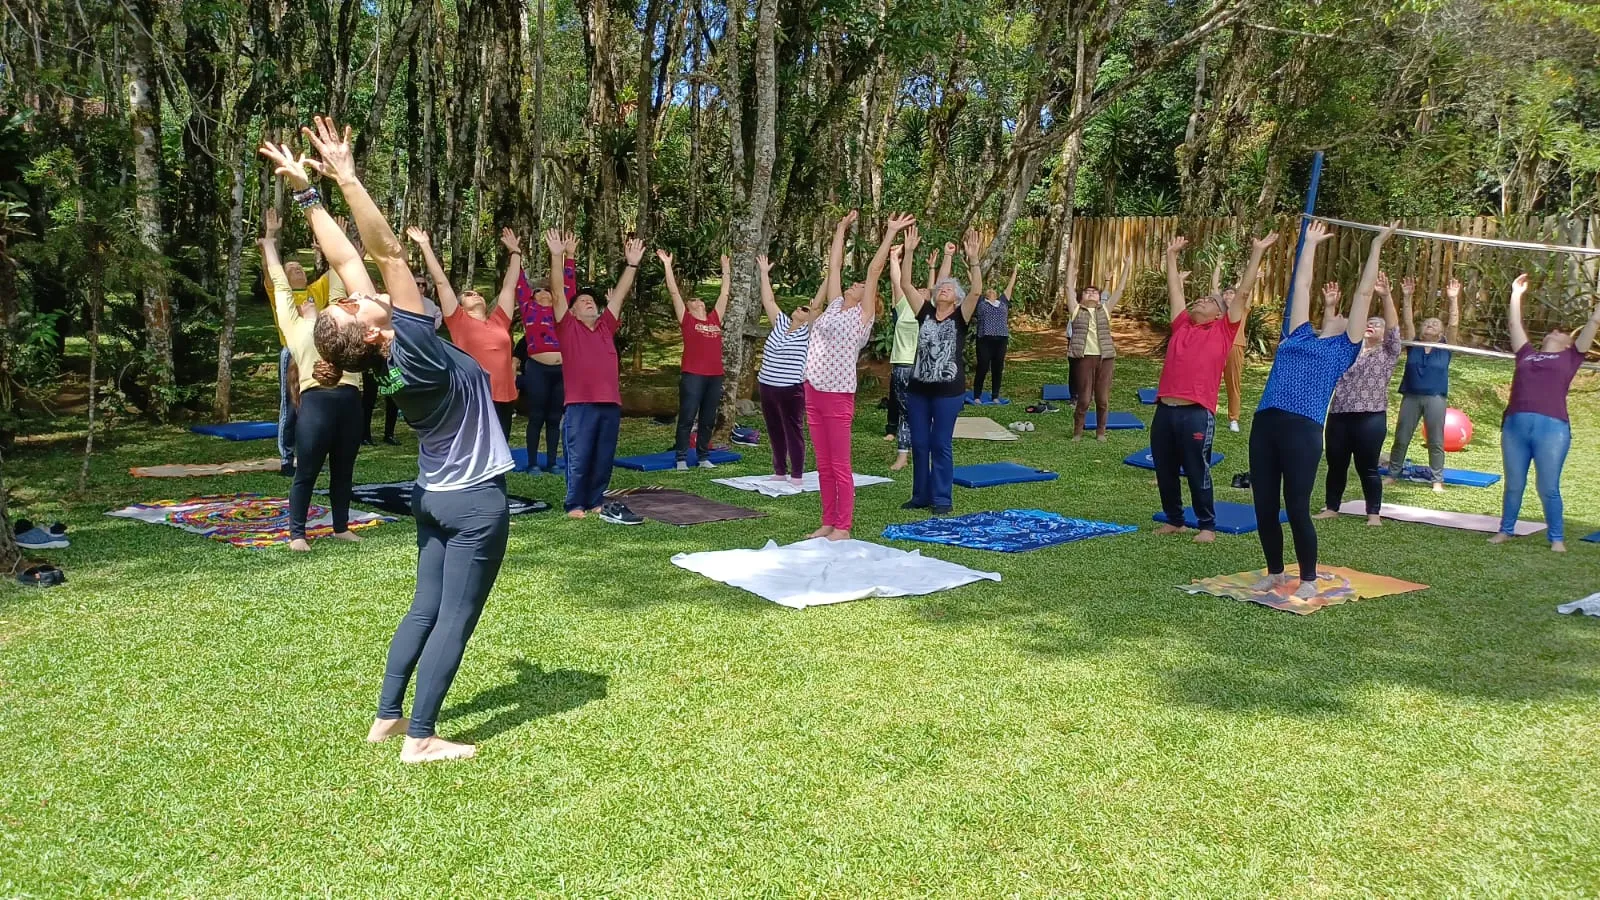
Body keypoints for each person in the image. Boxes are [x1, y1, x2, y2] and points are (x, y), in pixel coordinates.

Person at [265, 115, 514, 763]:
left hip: (432, 495)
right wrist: (345, 175)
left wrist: (307, 195)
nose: (354, 293)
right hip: (472, 503)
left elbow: (350, 258)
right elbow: (386, 254)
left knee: (425, 608)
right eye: (352, 303)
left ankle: (387, 718)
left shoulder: (390, 348)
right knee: (453, 617)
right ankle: (422, 737)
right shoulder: (420, 352)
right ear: (372, 334)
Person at [1250, 220, 1394, 599]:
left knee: (1296, 506)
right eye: (1340, 311)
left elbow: (1364, 294)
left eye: (1351, 316)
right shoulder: (1299, 333)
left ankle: (1309, 577)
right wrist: (1309, 243)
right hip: (1265, 422)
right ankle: (1276, 572)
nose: (1345, 313)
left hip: (1303, 428)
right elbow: (1301, 287)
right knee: (1264, 504)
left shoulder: (1344, 348)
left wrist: (1376, 244)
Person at [1152, 232, 1275, 543]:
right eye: (1199, 299)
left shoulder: (1223, 331)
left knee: (1196, 468)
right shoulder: (1182, 325)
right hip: (1165, 409)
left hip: (1196, 412)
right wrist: (1170, 256)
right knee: (1165, 469)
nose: (1200, 301)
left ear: (1220, 313)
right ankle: (1175, 520)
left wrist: (1257, 251)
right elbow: (1174, 292)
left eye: (1207, 300)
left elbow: (1244, 292)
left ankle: (1206, 525)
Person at [258, 209, 364, 553]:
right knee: (307, 473)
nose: (304, 303)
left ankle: (340, 527)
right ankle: (297, 534)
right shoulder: (292, 323)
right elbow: (277, 280)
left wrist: (335, 241)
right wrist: (270, 241)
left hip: (350, 400)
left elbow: (338, 272)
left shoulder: (335, 313)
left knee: (343, 470)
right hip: (317, 403)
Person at [804, 209, 907, 541]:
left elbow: (874, 268)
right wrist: (839, 229)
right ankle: (827, 522)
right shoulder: (835, 305)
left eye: (861, 284)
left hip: (837, 394)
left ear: (869, 298)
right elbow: (833, 266)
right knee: (822, 464)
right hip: (813, 389)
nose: (855, 283)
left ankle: (843, 526)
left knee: (839, 464)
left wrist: (890, 232)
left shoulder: (863, 317)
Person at [1489, 273, 1599, 552]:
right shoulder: (1526, 354)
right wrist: (1516, 293)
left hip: (1552, 429)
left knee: (1548, 486)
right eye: (1553, 329)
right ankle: (1505, 530)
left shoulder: (1571, 356)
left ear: (1566, 342)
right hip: (1515, 426)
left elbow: (1593, 324)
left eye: (1561, 331)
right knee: (1514, 483)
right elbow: (1515, 324)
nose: (1555, 331)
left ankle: (1557, 538)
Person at [544, 228, 646, 523]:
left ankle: (596, 499)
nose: (589, 302)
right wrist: (556, 256)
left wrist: (632, 264)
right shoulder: (568, 327)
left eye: (592, 300)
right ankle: (575, 502)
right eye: (582, 301)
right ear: (573, 312)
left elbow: (621, 294)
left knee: (603, 456)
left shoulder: (605, 327)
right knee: (579, 455)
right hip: (580, 403)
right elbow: (557, 293)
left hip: (609, 403)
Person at [891, 224, 983, 514]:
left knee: (940, 443)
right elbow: (906, 285)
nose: (944, 289)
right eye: (942, 287)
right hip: (919, 390)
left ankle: (942, 499)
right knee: (919, 443)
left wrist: (974, 259)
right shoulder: (925, 312)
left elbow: (977, 290)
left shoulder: (960, 316)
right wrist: (909, 253)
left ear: (956, 298)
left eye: (950, 289)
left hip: (948, 392)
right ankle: (920, 496)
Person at [408, 226, 522, 439]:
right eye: (469, 294)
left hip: (504, 397)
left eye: (478, 293)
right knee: (476, 454)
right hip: (474, 396)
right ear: (461, 305)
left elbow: (509, 286)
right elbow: (441, 282)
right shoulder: (458, 320)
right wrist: (424, 245)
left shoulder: (499, 321)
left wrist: (515, 252)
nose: (476, 294)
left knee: (499, 457)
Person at [1314, 272, 1402, 527]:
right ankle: (1332, 507)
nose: (1371, 324)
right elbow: (1329, 337)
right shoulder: (1347, 351)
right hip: (1340, 416)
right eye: (1368, 320)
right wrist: (1330, 307)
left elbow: (1394, 329)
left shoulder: (1387, 353)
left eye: (1377, 323)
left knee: (1368, 468)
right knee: (1336, 465)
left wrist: (1385, 296)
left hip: (1371, 418)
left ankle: (1373, 513)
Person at [264, 222, 345, 475]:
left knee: (316, 406)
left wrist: (330, 243)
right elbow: (270, 272)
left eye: (300, 267)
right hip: (293, 354)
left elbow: (339, 271)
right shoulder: (283, 294)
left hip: (319, 353)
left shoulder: (315, 290)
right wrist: (270, 236)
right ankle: (287, 459)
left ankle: (311, 456)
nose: (297, 269)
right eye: (291, 268)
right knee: (291, 407)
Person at [1387, 275, 1461, 491]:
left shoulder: (1445, 347)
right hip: (1411, 396)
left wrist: (1453, 299)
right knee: (1401, 437)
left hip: (1435, 398)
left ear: (1441, 333)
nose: (1430, 325)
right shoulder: (1414, 343)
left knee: (1436, 440)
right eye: (1427, 323)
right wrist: (1407, 297)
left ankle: (1437, 479)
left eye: (1435, 324)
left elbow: (1454, 323)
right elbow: (1408, 322)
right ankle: (1393, 474)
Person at [659, 250, 729, 470]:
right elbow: (674, 293)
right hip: (693, 375)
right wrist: (668, 265)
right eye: (694, 300)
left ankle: (702, 456)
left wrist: (725, 270)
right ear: (689, 308)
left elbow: (725, 294)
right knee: (688, 416)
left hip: (715, 376)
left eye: (699, 300)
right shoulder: (687, 320)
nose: (698, 301)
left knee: (708, 418)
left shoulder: (714, 318)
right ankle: (681, 457)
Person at [515, 238, 578, 473]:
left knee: (554, 417)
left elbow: (568, 287)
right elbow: (519, 284)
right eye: (539, 292)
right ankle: (532, 463)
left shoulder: (561, 312)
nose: (545, 294)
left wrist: (569, 255)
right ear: (533, 297)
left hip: (562, 370)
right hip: (537, 369)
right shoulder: (529, 309)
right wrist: (515, 253)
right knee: (536, 416)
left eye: (548, 292)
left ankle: (552, 462)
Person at [755, 254, 816, 484]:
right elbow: (768, 301)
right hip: (767, 385)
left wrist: (814, 306)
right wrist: (763, 273)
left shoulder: (808, 333)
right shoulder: (780, 323)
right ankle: (779, 471)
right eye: (800, 307)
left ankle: (797, 474)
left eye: (805, 309)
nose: (800, 309)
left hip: (790, 389)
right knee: (774, 429)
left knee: (793, 430)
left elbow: (816, 309)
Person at [363, 271, 442, 446]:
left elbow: (432, 325)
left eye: (423, 284)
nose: (420, 287)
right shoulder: (391, 301)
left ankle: (389, 434)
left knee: (394, 394)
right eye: (417, 284)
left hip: (400, 354)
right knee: (370, 395)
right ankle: (365, 434)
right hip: (377, 352)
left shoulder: (429, 305)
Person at [1066, 260, 1132, 441]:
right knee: (1084, 399)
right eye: (1087, 291)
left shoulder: (1105, 310)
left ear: (1099, 296)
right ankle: (1078, 432)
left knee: (1102, 399)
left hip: (1106, 358)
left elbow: (1120, 290)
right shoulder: (1076, 310)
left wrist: (1126, 266)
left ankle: (1101, 432)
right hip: (1084, 358)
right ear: (1081, 297)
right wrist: (1072, 262)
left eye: (1095, 292)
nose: (1091, 293)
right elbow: (1068, 289)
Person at [884, 247, 936, 471]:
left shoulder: (931, 311)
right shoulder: (904, 307)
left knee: (926, 413)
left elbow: (935, 289)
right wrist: (894, 259)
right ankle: (903, 456)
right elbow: (899, 282)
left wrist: (933, 267)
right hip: (903, 366)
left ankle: (923, 453)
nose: (922, 289)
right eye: (919, 287)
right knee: (907, 412)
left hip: (924, 368)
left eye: (925, 289)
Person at [972, 264, 1017, 402]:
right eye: (988, 290)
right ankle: (977, 396)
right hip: (985, 339)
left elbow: (1010, 287)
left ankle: (995, 396)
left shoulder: (1002, 302)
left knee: (998, 368)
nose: (991, 291)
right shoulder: (981, 302)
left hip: (1001, 339)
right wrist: (971, 268)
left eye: (993, 290)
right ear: (985, 294)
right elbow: (974, 284)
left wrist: (1015, 271)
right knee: (983, 367)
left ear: (997, 294)